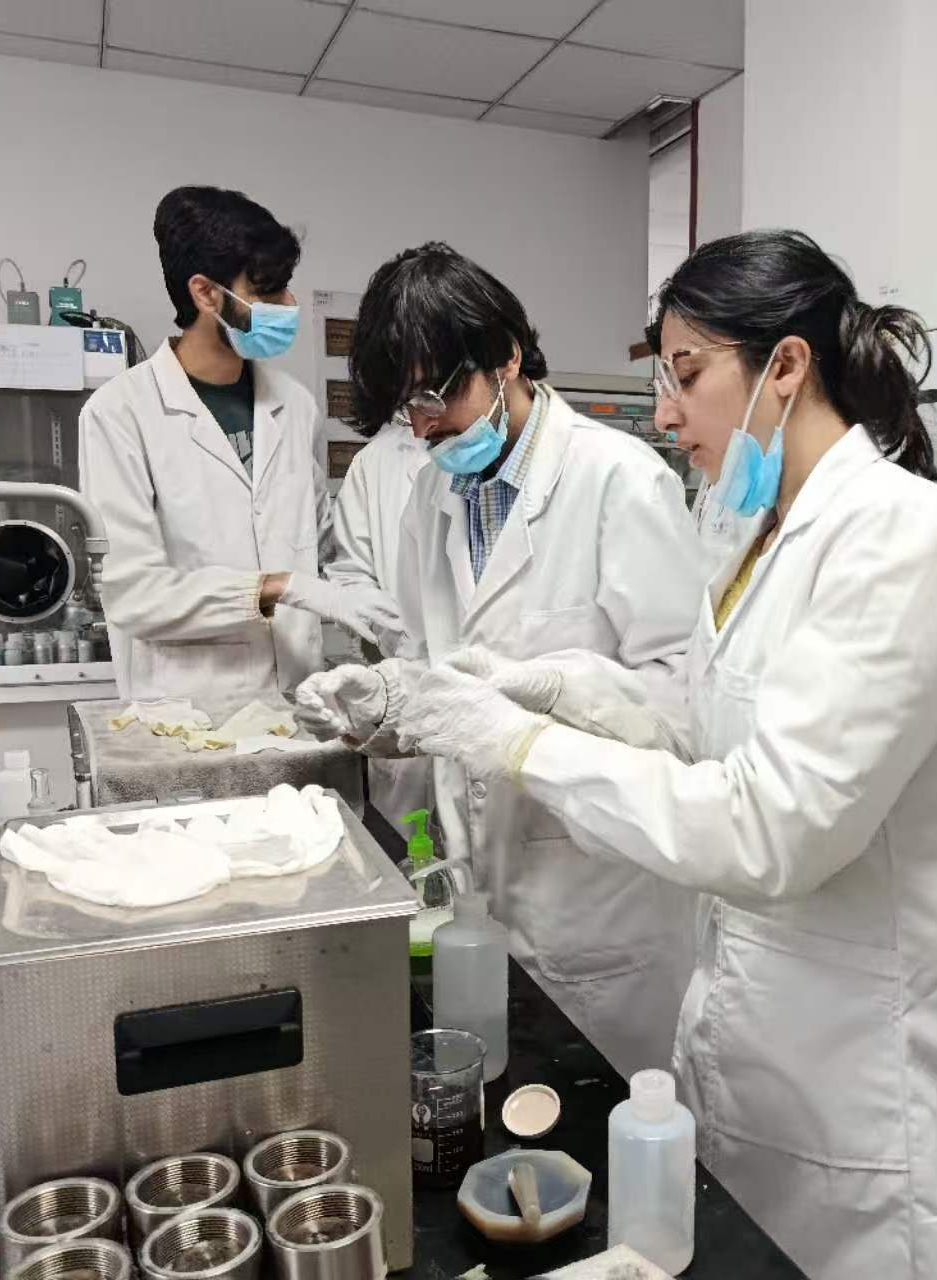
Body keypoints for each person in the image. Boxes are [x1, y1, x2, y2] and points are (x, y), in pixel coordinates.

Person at [394, 230, 937, 1279]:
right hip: (760, 1063)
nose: (664, 413)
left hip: (878, 1098)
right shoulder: (748, 532)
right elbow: (697, 731)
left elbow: (770, 827)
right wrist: (555, 686)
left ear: (786, 365)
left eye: (686, 376)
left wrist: (521, 746)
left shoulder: (897, 539)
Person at [298, 242, 705, 1078]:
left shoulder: (618, 481)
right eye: (404, 409)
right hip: (478, 893)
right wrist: (388, 707)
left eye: (433, 395)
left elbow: (684, 707)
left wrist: (557, 691)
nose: (422, 427)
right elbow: (432, 664)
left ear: (506, 357)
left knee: (601, 1126)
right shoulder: (432, 495)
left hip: (599, 904)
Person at [79, 186, 398, 706]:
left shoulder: (294, 407)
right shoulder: (121, 414)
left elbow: (319, 544)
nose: (289, 305)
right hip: (188, 711)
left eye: (286, 287)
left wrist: (362, 594)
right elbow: (134, 596)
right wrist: (276, 588)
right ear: (206, 294)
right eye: (268, 291)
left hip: (300, 701)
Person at [323, 416, 431, 827]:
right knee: (410, 850)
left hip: (503, 724)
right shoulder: (377, 461)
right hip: (405, 690)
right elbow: (350, 574)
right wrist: (397, 632)